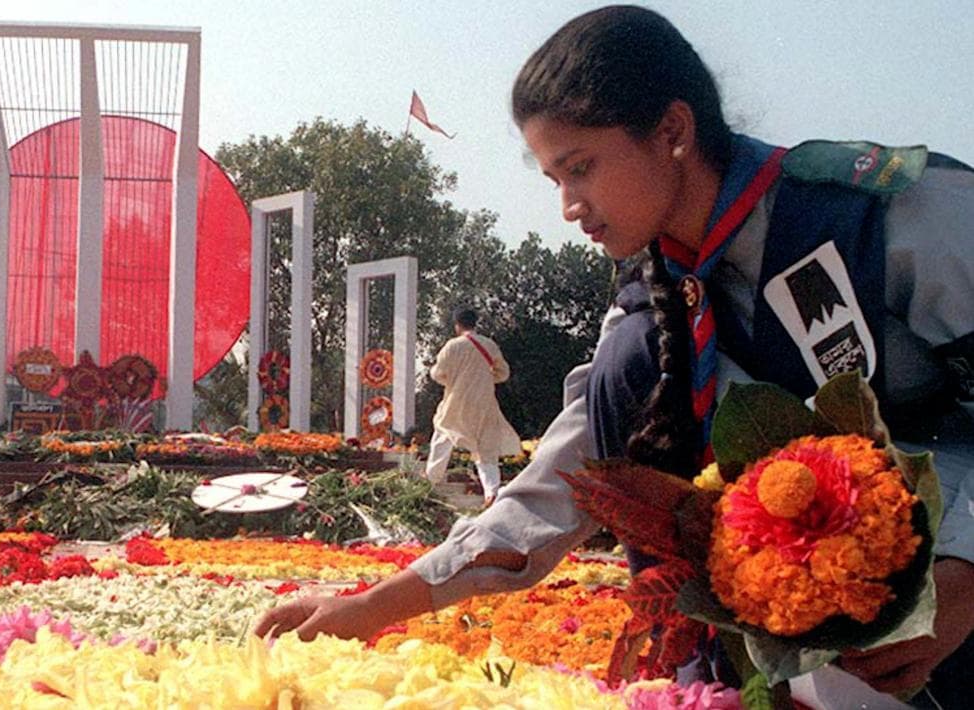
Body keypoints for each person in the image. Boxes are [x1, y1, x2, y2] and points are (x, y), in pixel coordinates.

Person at [255, 6, 974, 706]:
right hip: (808, 632)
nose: (569, 205)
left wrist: (968, 566)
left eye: (581, 168)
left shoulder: (881, 213)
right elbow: (563, 481)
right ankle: (713, 682)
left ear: (672, 130)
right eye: (553, 179)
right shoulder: (652, 306)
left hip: (951, 588)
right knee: (629, 362)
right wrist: (374, 606)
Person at [425, 307, 521, 506]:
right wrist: (484, 379)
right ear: (475, 323)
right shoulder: (489, 345)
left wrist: (451, 378)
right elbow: (503, 373)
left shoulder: (452, 346)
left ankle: (431, 481)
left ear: (457, 325)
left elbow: (438, 373)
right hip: (484, 401)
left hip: (457, 400)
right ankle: (491, 492)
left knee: (444, 434)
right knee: (486, 447)